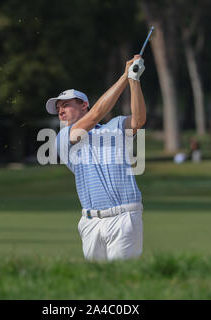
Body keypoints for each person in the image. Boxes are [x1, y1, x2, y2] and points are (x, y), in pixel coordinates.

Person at [45, 55, 146, 261]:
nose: (60, 111)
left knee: (122, 280)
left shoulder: (115, 126)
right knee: (95, 286)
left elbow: (139, 120)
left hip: (124, 217)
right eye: (58, 108)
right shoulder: (63, 137)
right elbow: (97, 114)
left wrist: (134, 80)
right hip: (90, 221)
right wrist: (124, 77)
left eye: (66, 105)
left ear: (83, 105)